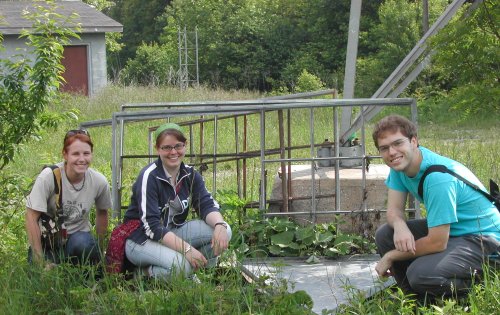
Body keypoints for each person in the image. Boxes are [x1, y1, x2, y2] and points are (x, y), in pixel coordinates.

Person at [372, 115, 500, 298]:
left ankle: (478, 287)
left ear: (413, 141)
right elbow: (394, 210)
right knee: (386, 234)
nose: (392, 152)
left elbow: (437, 242)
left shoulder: (437, 178)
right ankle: (413, 299)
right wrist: (400, 227)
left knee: (421, 273)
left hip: (485, 240)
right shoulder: (399, 165)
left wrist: (391, 256)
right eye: (384, 148)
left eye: (398, 143)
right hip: (456, 230)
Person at [123, 122, 231, 279]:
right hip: (141, 240)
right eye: (166, 147)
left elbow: (206, 204)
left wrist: (219, 225)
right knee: (181, 266)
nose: (173, 152)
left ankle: (200, 270)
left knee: (225, 231)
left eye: (178, 146)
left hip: (172, 233)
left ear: (185, 146)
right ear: (158, 149)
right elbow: (152, 227)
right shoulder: (149, 177)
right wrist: (186, 249)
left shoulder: (190, 174)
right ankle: (141, 274)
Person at [25, 129, 112, 268]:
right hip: (50, 242)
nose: (82, 159)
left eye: (86, 153)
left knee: (82, 244)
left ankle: (84, 272)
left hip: (79, 239)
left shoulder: (99, 181)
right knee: (37, 273)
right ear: (65, 154)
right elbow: (31, 216)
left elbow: (102, 212)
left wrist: (101, 250)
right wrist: (39, 259)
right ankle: (56, 266)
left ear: (92, 154)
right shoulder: (48, 177)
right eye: (75, 154)